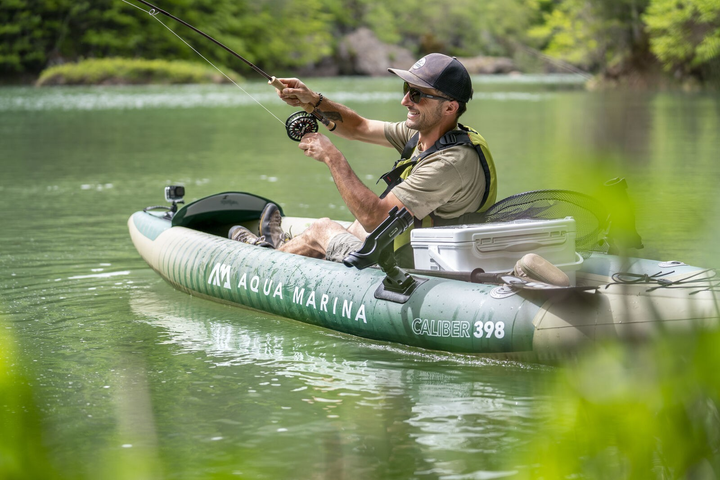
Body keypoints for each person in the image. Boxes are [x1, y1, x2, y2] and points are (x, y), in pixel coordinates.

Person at [229, 53, 497, 268]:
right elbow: (359, 128)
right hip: (407, 249)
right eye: (407, 89)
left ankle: (262, 258)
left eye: (417, 94)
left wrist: (332, 158)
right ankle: (273, 249)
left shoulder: (449, 162)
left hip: (410, 266)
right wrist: (311, 101)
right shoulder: (425, 132)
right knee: (343, 229)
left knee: (323, 228)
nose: (405, 101)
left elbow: (376, 219)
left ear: (449, 107)